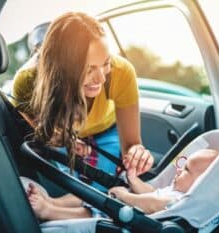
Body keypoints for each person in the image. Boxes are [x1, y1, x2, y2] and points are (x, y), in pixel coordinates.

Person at [11, 12, 154, 184]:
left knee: (104, 186)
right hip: (62, 135)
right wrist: (63, 139)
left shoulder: (121, 72)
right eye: (89, 69)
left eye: (106, 63)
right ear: (61, 68)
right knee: (71, 186)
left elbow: (131, 146)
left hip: (107, 130)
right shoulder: (26, 82)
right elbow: (40, 130)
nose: (101, 78)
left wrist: (137, 154)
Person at [26, 149, 218, 220]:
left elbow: (152, 203)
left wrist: (126, 196)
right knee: (88, 195)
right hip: (122, 203)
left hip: (124, 215)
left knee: (90, 212)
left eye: (186, 170)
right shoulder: (173, 189)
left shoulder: (180, 200)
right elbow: (150, 192)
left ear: (201, 183)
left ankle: (49, 211)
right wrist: (134, 180)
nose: (179, 170)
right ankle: (53, 201)